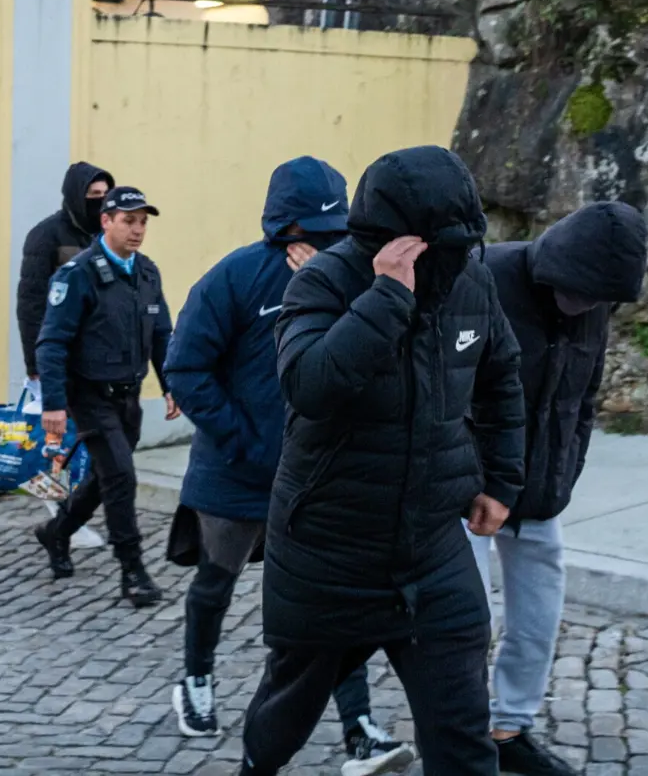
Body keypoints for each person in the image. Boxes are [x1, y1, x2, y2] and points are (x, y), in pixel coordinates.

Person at [239, 145, 527, 776]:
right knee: (284, 717)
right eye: (438, 248)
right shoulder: (322, 280)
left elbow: (502, 377)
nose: (452, 261)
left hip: (433, 551)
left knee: (461, 735)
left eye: (463, 244)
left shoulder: (471, 280)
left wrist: (503, 480)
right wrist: (387, 296)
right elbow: (310, 385)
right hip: (328, 549)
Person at [164, 156, 415, 775]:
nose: (321, 249)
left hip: (316, 481)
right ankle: (196, 679)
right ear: (281, 231)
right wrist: (243, 441)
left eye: (333, 238)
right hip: (235, 470)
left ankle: (357, 725)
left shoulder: (358, 279)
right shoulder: (232, 278)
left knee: (327, 605)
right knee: (215, 583)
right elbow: (185, 369)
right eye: (308, 237)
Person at [471, 201, 647, 776]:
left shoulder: (592, 304)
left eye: (600, 298)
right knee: (465, 620)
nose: (589, 306)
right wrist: (472, 478)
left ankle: (508, 729)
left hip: (542, 492)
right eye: (582, 292)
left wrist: (565, 473)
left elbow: (585, 399)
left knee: (538, 618)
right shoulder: (487, 276)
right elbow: (448, 390)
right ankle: (460, 733)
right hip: (469, 494)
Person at [33, 186, 178, 608]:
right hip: (90, 395)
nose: (137, 230)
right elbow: (52, 343)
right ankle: (132, 570)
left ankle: (56, 533)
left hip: (128, 398)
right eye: (128, 221)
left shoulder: (147, 272)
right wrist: (55, 405)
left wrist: (171, 385)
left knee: (105, 476)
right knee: (121, 477)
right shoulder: (78, 275)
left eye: (143, 222)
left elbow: (162, 336)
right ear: (106, 221)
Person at [16, 162, 115, 386]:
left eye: (106, 194)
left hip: (104, 357)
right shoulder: (45, 235)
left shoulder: (110, 235)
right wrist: (35, 362)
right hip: (61, 354)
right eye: (94, 194)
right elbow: (31, 303)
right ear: (77, 196)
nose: (101, 200)